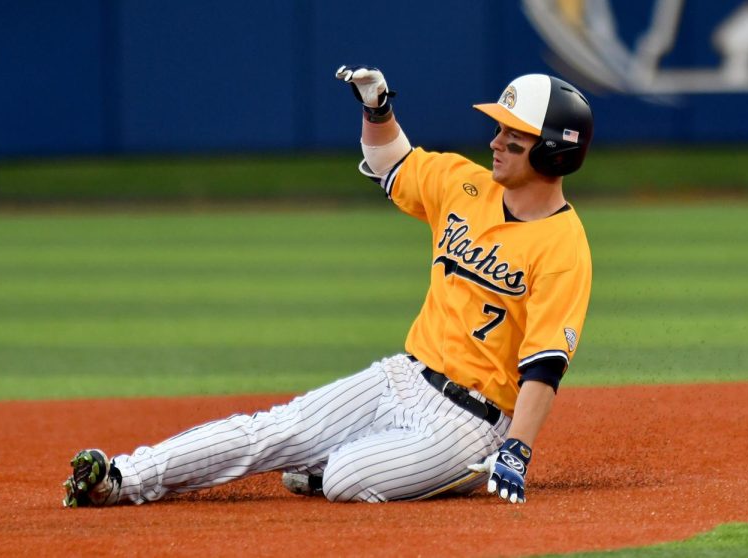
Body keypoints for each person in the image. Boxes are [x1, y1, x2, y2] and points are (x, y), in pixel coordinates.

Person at [63, 65, 594, 507]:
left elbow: (544, 366)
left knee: (344, 477)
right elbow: (392, 162)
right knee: (274, 429)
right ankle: (122, 478)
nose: (495, 141)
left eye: (513, 137)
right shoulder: (464, 182)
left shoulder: (564, 247)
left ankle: (407, 468)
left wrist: (517, 449)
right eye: (499, 129)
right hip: (403, 376)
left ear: (553, 152)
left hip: (471, 421)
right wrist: (379, 111)